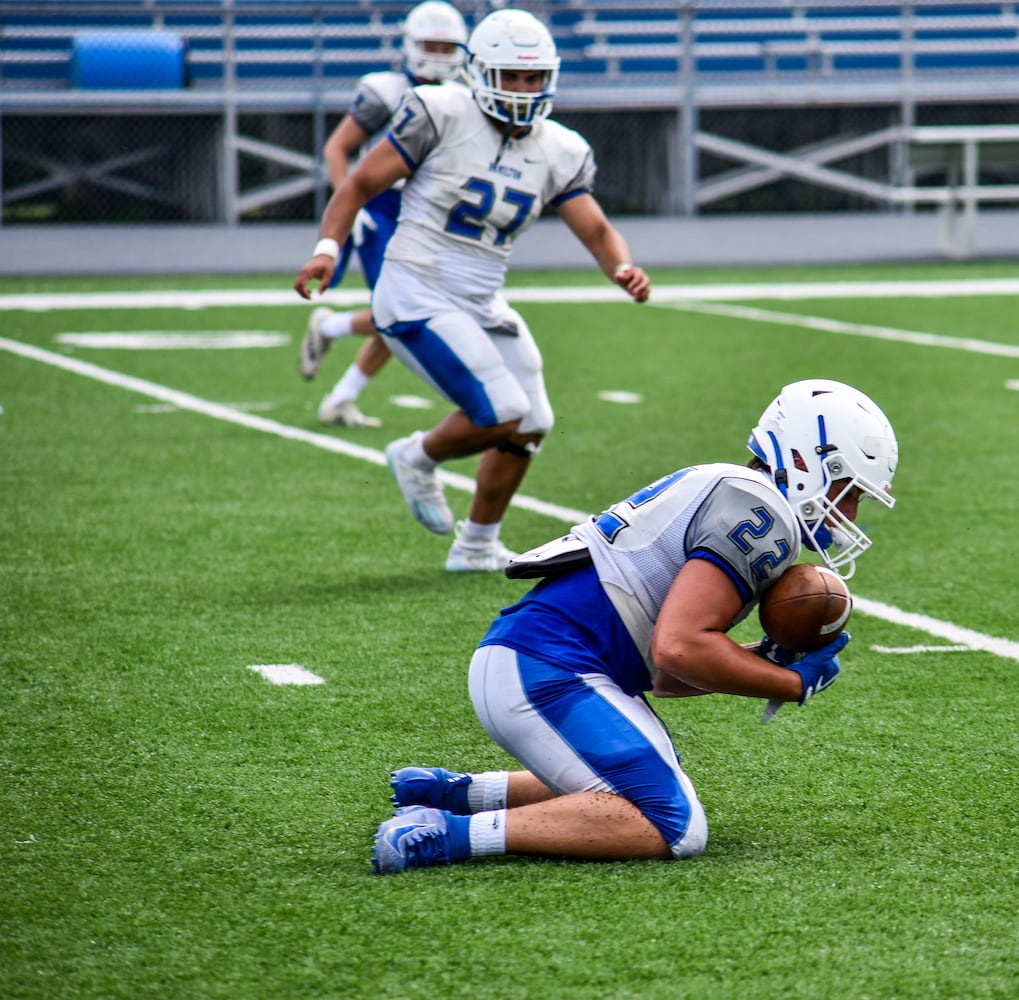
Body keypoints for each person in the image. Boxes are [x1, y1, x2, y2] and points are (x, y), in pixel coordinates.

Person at [367, 379, 899, 872]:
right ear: (812, 461)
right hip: (547, 671)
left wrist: (755, 658)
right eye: (849, 489)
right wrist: (792, 683)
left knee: (651, 768)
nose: (849, 509)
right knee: (675, 824)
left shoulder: (731, 486)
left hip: (534, 661)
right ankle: (451, 833)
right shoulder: (760, 514)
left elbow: (665, 675)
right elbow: (679, 649)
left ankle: (458, 793)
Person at [294, 8, 652, 571]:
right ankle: (416, 457)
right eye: (512, 76)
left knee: (532, 421)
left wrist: (622, 267)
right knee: (502, 410)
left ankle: (477, 544)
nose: (524, 89)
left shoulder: (558, 147)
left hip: (482, 298)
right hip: (416, 286)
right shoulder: (441, 112)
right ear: (480, 72)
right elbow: (360, 182)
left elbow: (596, 226)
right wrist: (326, 250)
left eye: (534, 78)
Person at [298, 0, 470, 429]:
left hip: (430, 214)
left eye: (446, 47)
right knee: (401, 311)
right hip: (382, 209)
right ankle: (335, 359)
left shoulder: (464, 97)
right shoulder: (387, 92)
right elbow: (337, 149)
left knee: (406, 314)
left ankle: (337, 374)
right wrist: (349, 204)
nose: (437, 55)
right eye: (429, 44)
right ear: (411, 44)